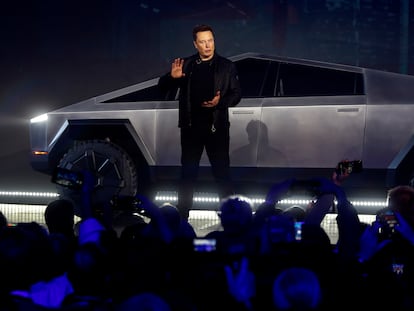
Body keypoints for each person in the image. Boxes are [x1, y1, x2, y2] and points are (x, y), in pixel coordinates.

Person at [158, 24, 242, 220]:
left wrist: (220, 103)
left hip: (216, 128)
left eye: (210, 41)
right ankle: (182, 218)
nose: (208, 45)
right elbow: (162, 87)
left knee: (222, 175)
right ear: (195, 44)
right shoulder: (186, 65)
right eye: (203, 42)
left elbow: (236, 94)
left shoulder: (226, 66)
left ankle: (231, 219)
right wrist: (172, 78)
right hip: (191, 128)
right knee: (188, 176)